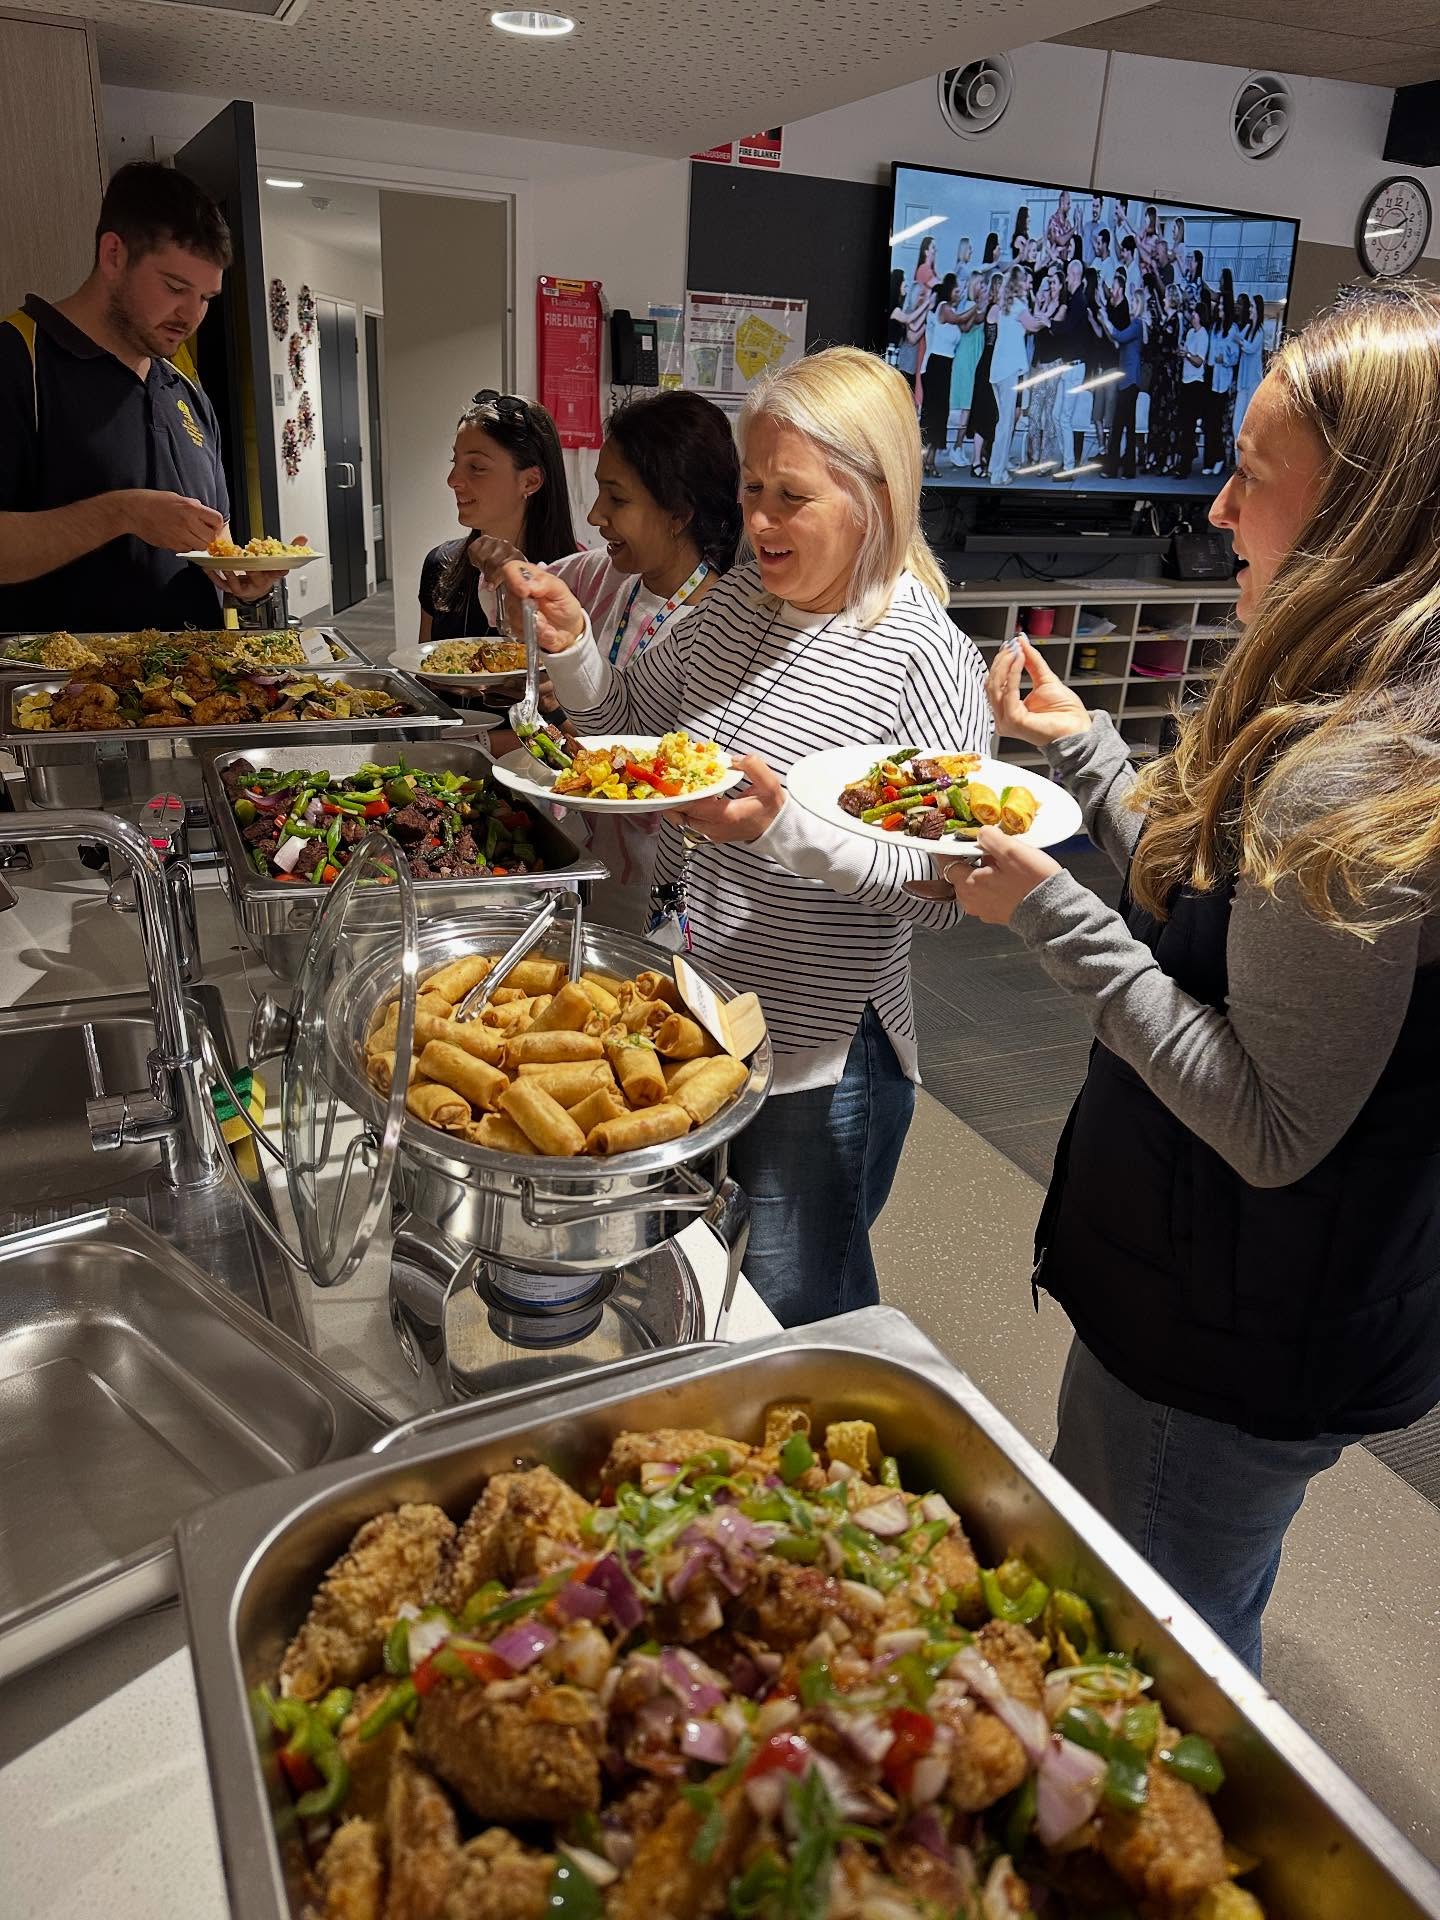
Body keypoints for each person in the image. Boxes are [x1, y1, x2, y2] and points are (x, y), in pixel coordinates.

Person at [928, 283, 1440, 1672]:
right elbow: (1217, 887)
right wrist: (1087, 749)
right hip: (1237, 1300)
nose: (1216, 510)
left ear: (1362, 515)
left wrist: (1052, 914)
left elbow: (1272, 1125)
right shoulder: (1359, 701)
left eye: (1251, 478)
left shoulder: (1354, 776)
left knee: (1147, 1652)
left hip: (1233, 1335)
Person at [492, 347, 987, 1327]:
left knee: (797, 1311)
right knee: (710, 1282)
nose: (758, 522)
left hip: (819, 1056)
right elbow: (625, 722)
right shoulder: (732, 606)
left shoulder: (922, 654)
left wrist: (782, 831)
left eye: (791, 497)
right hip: (702, 1013)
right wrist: (574, 645)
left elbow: (950, 888)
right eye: (752, 488)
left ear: (875, 499)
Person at [0, 160, 274, 632]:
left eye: (205, 298)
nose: (190, 315)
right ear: (114, 255)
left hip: (195, 674)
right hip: (67, 677)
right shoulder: (18, 358)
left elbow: (216, 533)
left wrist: (240, 575)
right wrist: (121, 512)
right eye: (175, 287)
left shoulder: (184, 384)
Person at [418, 390, 575, 645]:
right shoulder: (440, 564)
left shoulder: (574, 578)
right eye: (455, 461)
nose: (452, 480)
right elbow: (423, 664)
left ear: (530, 481)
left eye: (477, 467)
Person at [989, 273, 1051, 485]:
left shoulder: (1007, 304)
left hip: (999, 368)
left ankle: (996, 465)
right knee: (1006, 423)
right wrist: (1046, 320)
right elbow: (1032, 326)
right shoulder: (1017, 305)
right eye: (1025, 280)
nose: (1028, 283)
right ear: (1018, 283)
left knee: (1002, 422)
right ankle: (998, 474)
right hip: (1008, 369)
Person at [1099, 286, 1144, 479]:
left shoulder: (1137, 325)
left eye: (1134, 302)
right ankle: (1126, 469)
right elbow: (1117, 339)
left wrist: (1105, 318)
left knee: (1120, 425)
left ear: (1139, 304)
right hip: (1127, 379)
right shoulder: (1133, 324)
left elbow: (1118, 336)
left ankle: (1114, 468)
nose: (1131, 304)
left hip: (1130, 380)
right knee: (1126, 425)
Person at [920, 274, 962, 476]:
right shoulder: (941, 310)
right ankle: (924, 460)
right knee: (933, 414)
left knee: (941, 414)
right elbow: (958, 319)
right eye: (956, 289)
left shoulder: (950, 311)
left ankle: (930, 460)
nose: (959, 293)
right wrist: (977, 308)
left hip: (945, 366)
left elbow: (963, 323)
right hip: (935, 365)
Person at [947, 270, 987, 458]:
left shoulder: (971, 304)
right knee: (966, 404)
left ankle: (958, 446)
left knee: (968, 404)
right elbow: (971, 323)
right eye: (981, 284)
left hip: (974, 353)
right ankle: (957, 446)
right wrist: (983, 306)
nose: (984, 287)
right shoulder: (971, 305)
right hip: (968, 355)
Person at [1178, 292, 1211, 479]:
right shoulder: (1190, 333)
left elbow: (1199, 361)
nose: (1192, 316)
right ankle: (1188, 453)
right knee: (1184, 423)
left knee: (1189, 425)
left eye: (1195, 313)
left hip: (1195, 383)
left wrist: (1187, 355)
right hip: (1185, 380)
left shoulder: (1203, 335)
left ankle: (1185, 466)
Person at [1233, 292, 1265, 440]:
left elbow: (1250, 348)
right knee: (1236, 425)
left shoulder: (1260, 331)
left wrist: (1240, 341)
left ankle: (1244, 454)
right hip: (1243, 383)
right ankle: (1238, 453)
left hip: (1253, 383)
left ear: (1258, 309)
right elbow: (1238, 338)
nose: (1250, 309)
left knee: (1247, 424)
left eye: (1252, 306)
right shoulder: (1247, 328)